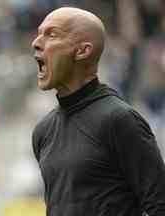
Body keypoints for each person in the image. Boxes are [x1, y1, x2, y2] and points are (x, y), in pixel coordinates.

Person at [31, 7, 165, 216]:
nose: (36, 42)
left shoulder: (119, 119)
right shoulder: (43, 131)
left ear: (83, 50)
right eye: (39, 33)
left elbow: (160, 204)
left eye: (51, 34)